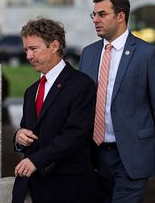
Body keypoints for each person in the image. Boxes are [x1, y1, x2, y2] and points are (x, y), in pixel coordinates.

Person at [79, 0, 155, 202]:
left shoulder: (147, 54)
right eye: (93, 15)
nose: (95, 20)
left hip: (132, 155)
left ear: (121, 16)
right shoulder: (88, 54)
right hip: (94, 155)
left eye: (102, 14)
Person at [12, 18, 100, 203]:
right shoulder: (31, 91)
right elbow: (27, 129)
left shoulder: (82, 85)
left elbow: (75, 135)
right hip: (34, 186)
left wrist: (36, 161)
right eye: (26, 50)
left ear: (54, 46)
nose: (28, 56)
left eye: (33, 49)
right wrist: (19, 137)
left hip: (69, 186)